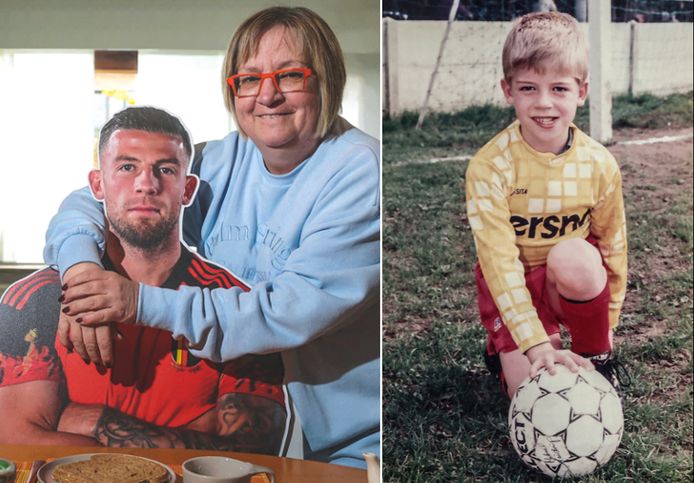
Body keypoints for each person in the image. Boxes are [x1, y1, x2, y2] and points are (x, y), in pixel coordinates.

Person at [44, 7, 379, 468]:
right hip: (283, 428)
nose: (268, 96)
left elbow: (284, 312)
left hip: (358, 441)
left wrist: (136, 302)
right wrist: (83, 274)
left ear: (327, 80)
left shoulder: (358, 169)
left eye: (290, 75)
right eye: (248, 79)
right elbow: (98, 201)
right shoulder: (221, 161)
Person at [0, 107, 288, 453]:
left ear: (187, 189)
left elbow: (250, 452)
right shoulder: (36, 299)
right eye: (127, 167)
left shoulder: (234, 304)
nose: (146, 185)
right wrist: (187, 438)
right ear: (97, 185)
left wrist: (96, 421)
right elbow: (15, 443)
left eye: (165, 169)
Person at [465, 12, 630, 398]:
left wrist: (607, 327)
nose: (544, 103)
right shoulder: (489, 167)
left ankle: (596, 358)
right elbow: (499, 265)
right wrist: (534, 343)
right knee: (536, 394)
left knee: (576, 254)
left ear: (581, 91)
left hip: (565, 281)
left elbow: (613, 246)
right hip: (515, 284)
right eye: (528, 88)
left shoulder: (599, 163)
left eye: (559, 89)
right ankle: (506, 350)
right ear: (508, 90)